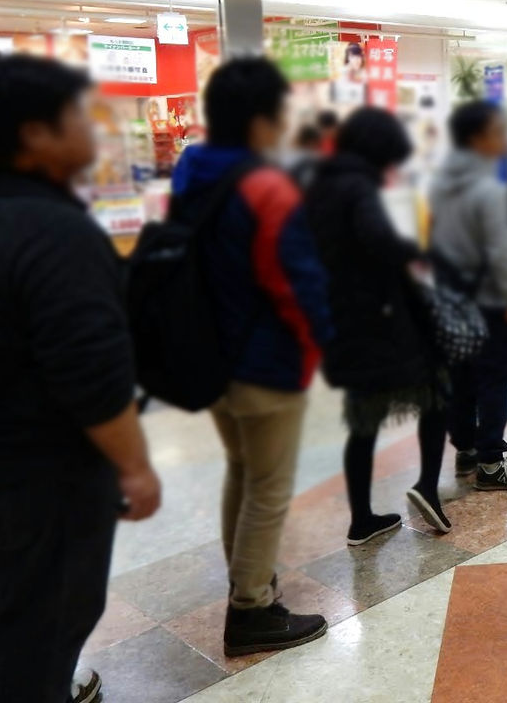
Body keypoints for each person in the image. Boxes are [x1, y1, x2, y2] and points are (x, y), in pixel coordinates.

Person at [0, 55, 162, 702]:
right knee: (39, 632)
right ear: (35, 134)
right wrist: (134, 467)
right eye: (78, 116)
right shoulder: (54, 232)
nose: (93, 131)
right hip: (41, 482)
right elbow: (91, 370)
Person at [170, 57, 333, 657]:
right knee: (268, 486)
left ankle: (250, 582)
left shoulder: (191, 171)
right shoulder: (267, 186)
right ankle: (251, 611)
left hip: (207, 351)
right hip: (265, 362)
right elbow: (294, 283)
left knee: (242, 470)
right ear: (261, 120)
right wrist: (323, 342)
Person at [305, 108, 451, 544]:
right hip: (380, 317)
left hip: (341, 317)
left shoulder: (322, 183)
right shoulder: (358, 185)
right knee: (436, 390)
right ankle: (427, 487)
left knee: (363, 418)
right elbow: (378, 239)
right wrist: (414, 251)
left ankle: (361, 519)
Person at [430, 101, 507, 491]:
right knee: (494, 377)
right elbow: (498, 253)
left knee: (461, 374)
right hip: (488, 300)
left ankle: (466, 447)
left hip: (451, 296)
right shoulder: (489, 190)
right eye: (497, 131)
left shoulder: (440, 184)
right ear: (477, 138)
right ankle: (492, 462)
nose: (505, 139)